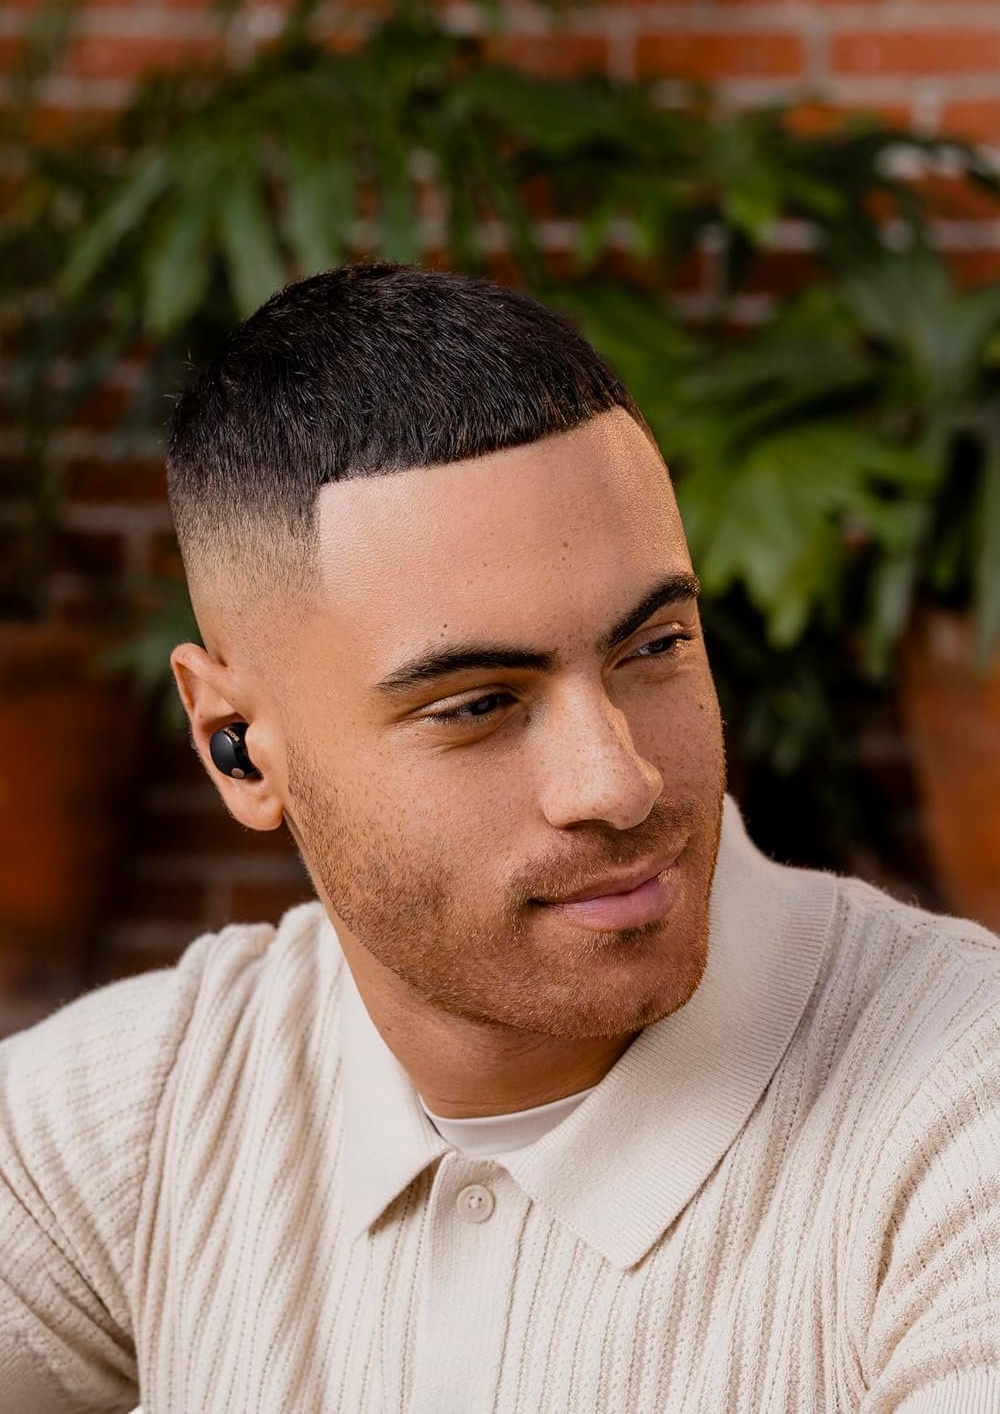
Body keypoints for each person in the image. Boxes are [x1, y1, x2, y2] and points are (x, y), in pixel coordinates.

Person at [1, 261, 998, 1413]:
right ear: (239, 744)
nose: (617, 783)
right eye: (478, 704)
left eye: (654, 647)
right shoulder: (145, 1110)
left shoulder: (958, 1108)